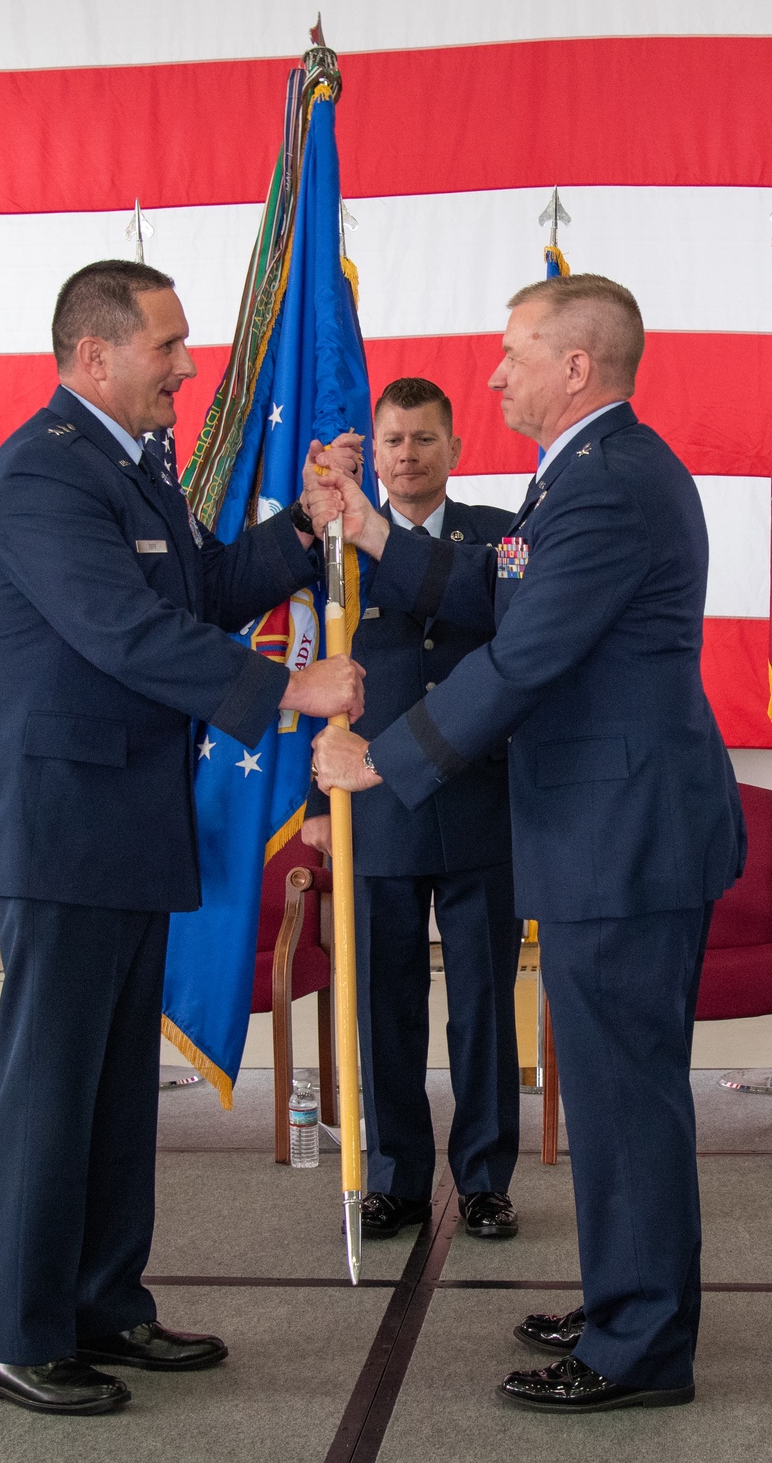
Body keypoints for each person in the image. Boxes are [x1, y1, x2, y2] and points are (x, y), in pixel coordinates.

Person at [307, 275, 745, 1414]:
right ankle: (625, 1304)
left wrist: (383, 759)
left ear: (576, 368)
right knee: (607, 1092)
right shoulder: (583, 478)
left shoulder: (604, 488)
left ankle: (638, 1349)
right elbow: (493, 600)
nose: (493, 372)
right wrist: (367, 533)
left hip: (623, 836)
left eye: (511, 354)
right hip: (605, 830)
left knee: (622, 1097)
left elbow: (523, 659)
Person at [0, 259, 364, 1416]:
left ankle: (101, 1304)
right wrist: (293, 686)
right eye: (168, 347)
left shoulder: (135, 473)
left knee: (112, 1088)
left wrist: (299, 529)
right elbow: (125, 632)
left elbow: (197, 593)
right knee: (51, 1086)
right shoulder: (41, 476)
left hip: (127, 822)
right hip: (62, 830)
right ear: (95, 355)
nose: (190, 368)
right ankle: (9, 1334)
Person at [302, 377, 521, 1242]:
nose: (406, 455)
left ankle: (484, 1179)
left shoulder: (500, 538)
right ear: (377, 453)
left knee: (483, 1006)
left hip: (477, 799)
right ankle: (393, 1173)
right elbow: (307, 674)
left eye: (425, 439)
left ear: (455, 450)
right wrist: (311, 798)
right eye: (392, 441)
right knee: (380, 1002)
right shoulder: (333, 548)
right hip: (373, 806)